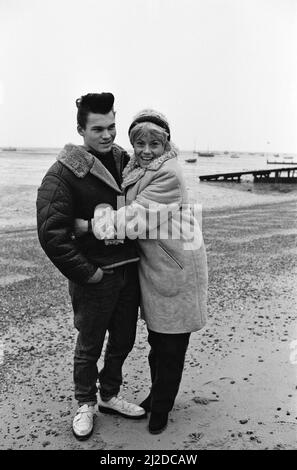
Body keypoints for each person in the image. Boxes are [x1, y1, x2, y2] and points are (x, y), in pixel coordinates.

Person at [75, 109, 208, 434]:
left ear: (167, 144)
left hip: (176, 268)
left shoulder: (169, 173)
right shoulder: (138, 167)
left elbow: (136, 217)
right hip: (156, 268)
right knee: (156, 343)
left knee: (171, 346)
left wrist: (89, 226)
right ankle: (155, 396)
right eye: (139, 143)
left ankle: (161, 409)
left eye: (154, 143)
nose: (146, 150)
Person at [36, 93, 146, 441]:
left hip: (129, 270)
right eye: (97, 128)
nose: (107, 134)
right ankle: (86, 403)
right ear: (80, 129)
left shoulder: (127, 162)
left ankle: (110, 394)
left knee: (124, 340)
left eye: (112, 126)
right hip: (95, 276)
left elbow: (151, 199)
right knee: (89, 345)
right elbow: (52, 234)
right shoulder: (63, 173)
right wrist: (88, 273)